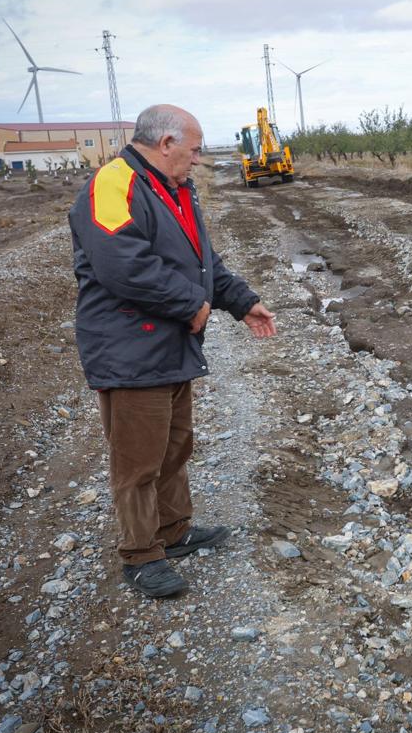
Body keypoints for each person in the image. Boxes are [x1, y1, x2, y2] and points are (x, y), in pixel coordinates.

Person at [68, 104, 277, 597]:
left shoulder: (174, 189)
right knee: (138, 458)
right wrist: (191, 305)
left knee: (174, 445)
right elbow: (123, 263)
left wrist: (242, 301)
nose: (199, 160)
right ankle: (140, 555)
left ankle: (174, 530)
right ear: (166, 144)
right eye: (195, 149)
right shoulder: (113, 184)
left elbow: (203, 261)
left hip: (168, 343)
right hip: (129, 345)